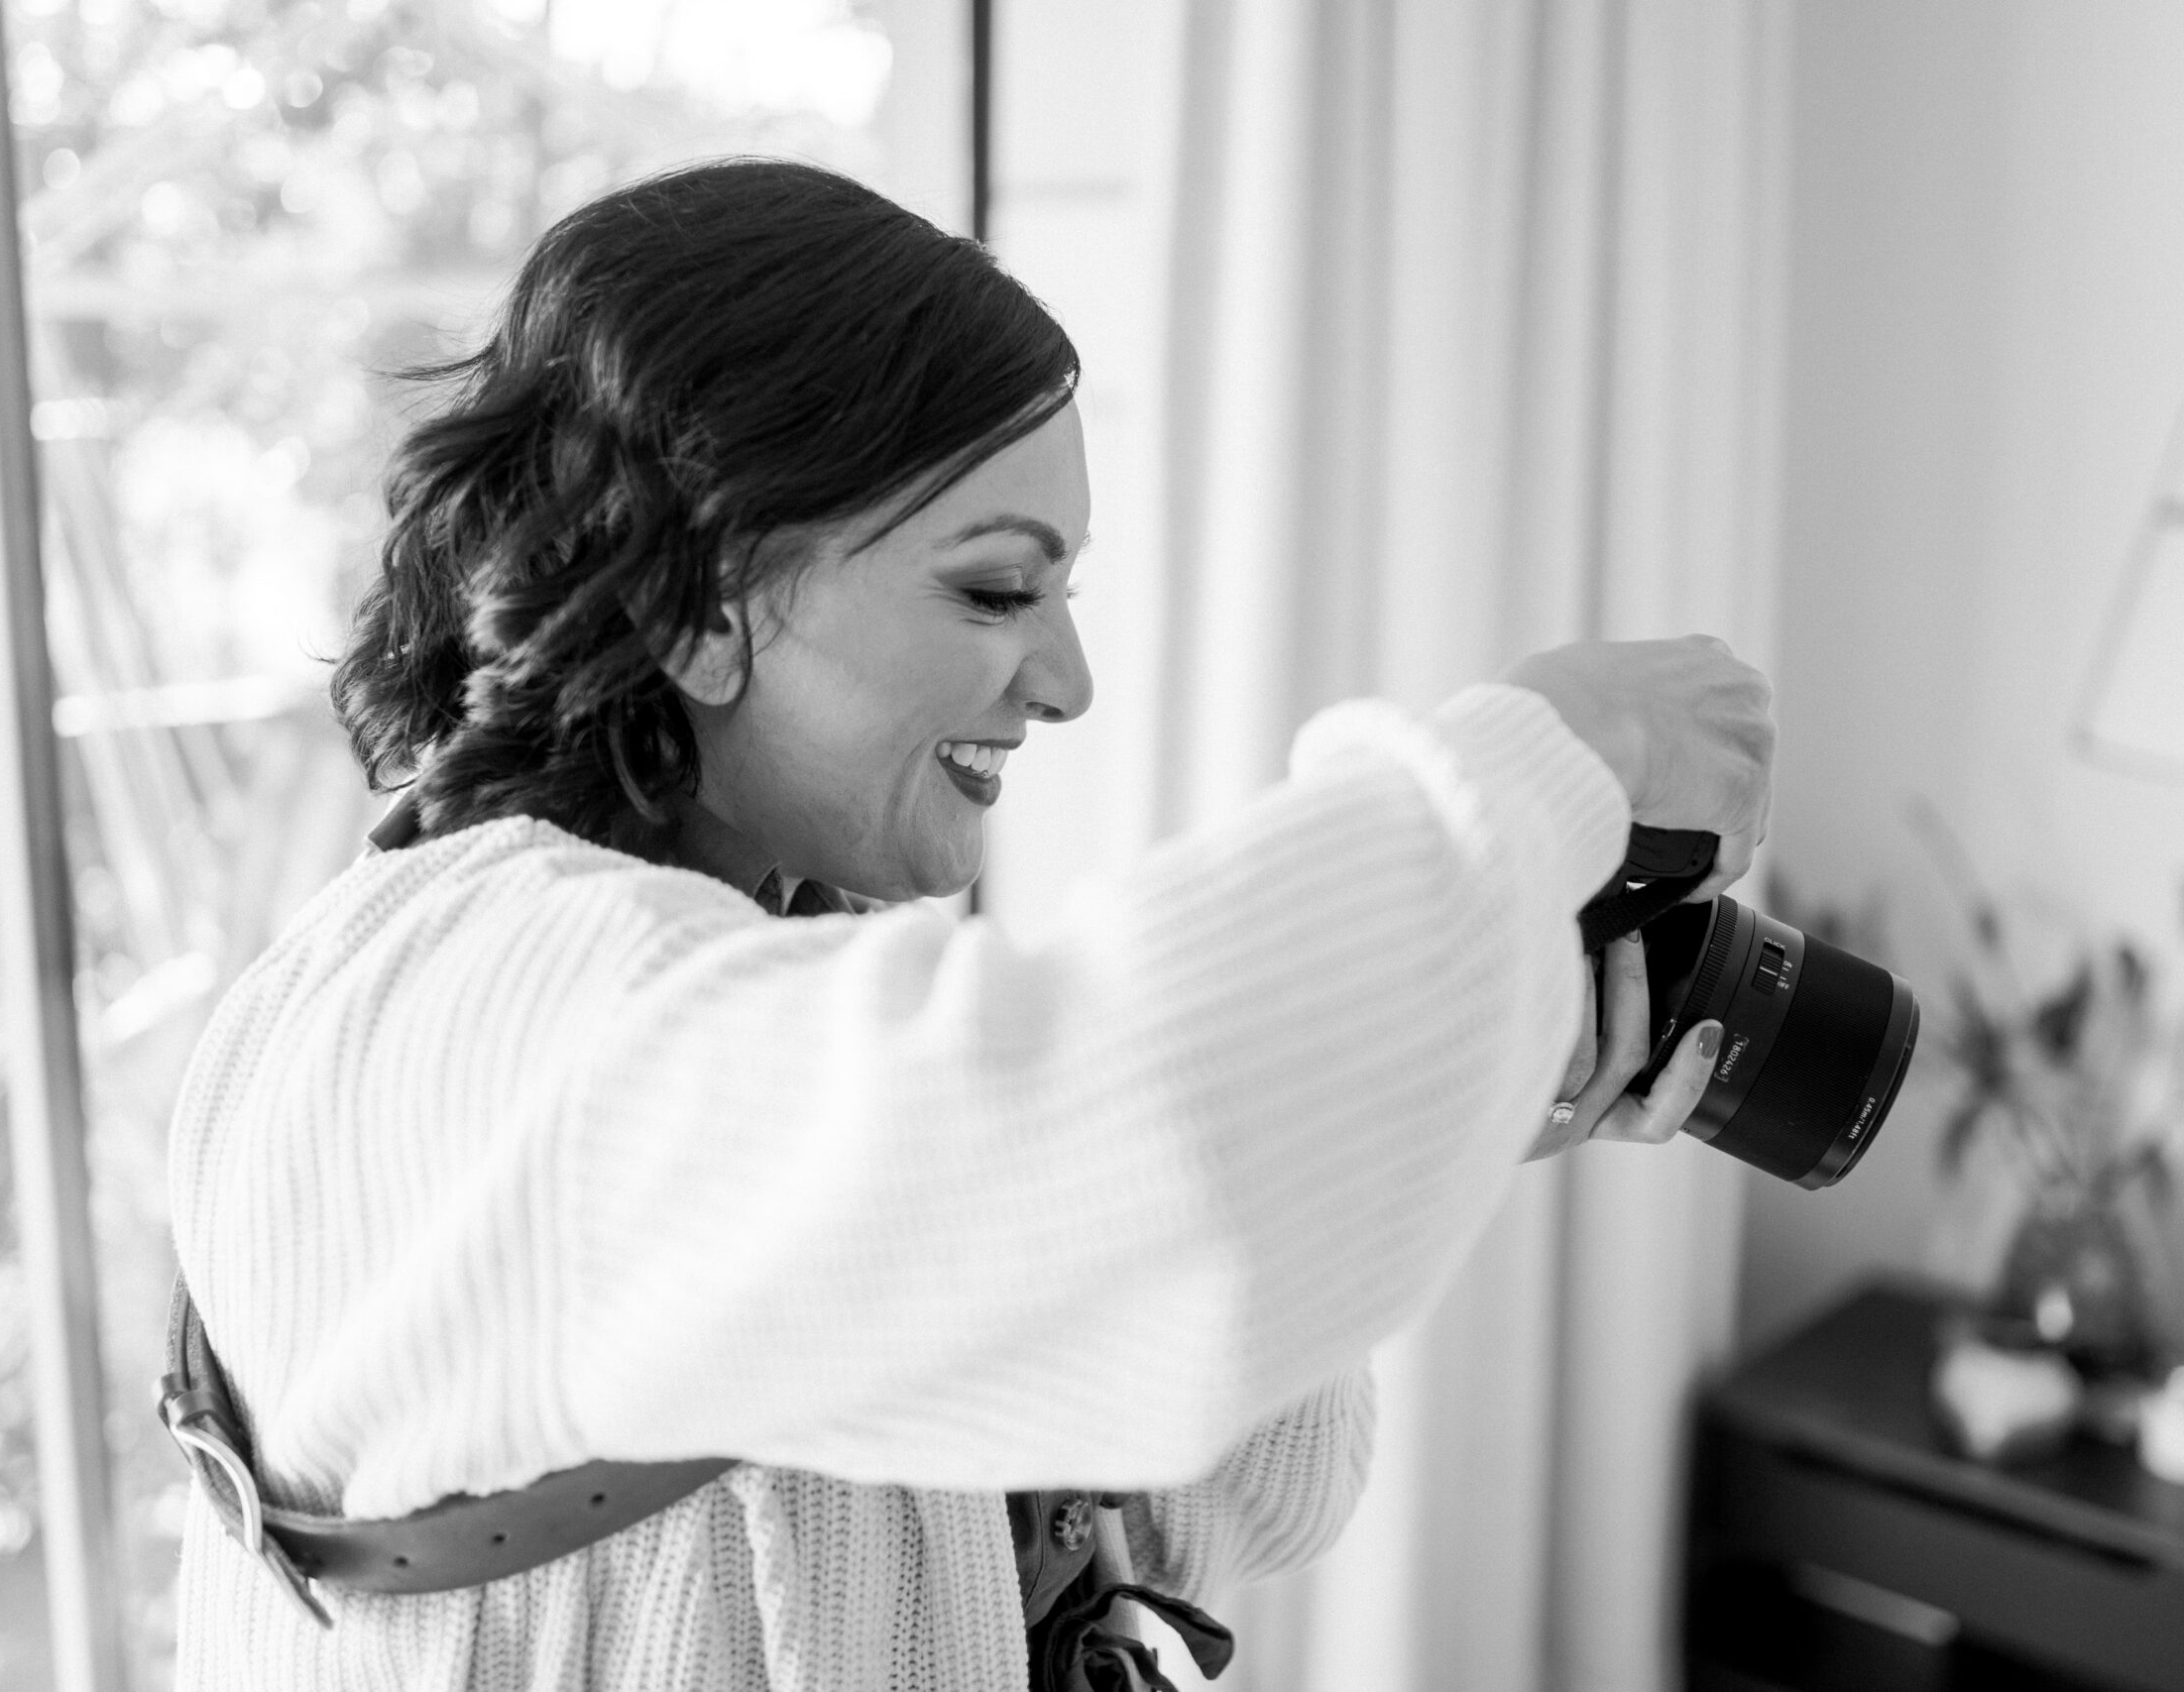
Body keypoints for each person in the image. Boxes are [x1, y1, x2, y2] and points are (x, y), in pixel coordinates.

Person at [166, 158, 1774, 1691]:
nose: (1068, 681)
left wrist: (1422, 1082)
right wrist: (1566, 746)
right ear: (702, 603)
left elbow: (1221, 1496)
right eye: (996, 592)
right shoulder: (485, 1004)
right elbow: (1122, 1155)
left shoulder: (734, 976)